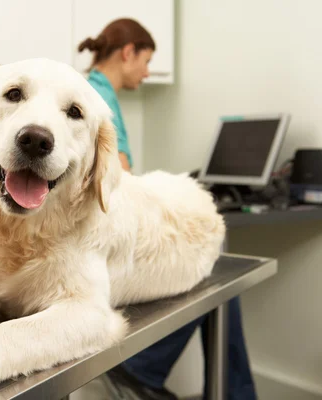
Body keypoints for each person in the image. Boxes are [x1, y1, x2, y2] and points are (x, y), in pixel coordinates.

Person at [79, 18, 257, 400]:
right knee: (212, 259)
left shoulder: (91, 91)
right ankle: (145, 369)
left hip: (93, 241)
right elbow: (117, 185)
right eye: (145, 61)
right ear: (128, 53)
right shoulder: (98, 99)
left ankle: (154, 371)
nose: (146, 72)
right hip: (98, 248)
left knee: (212, 265)